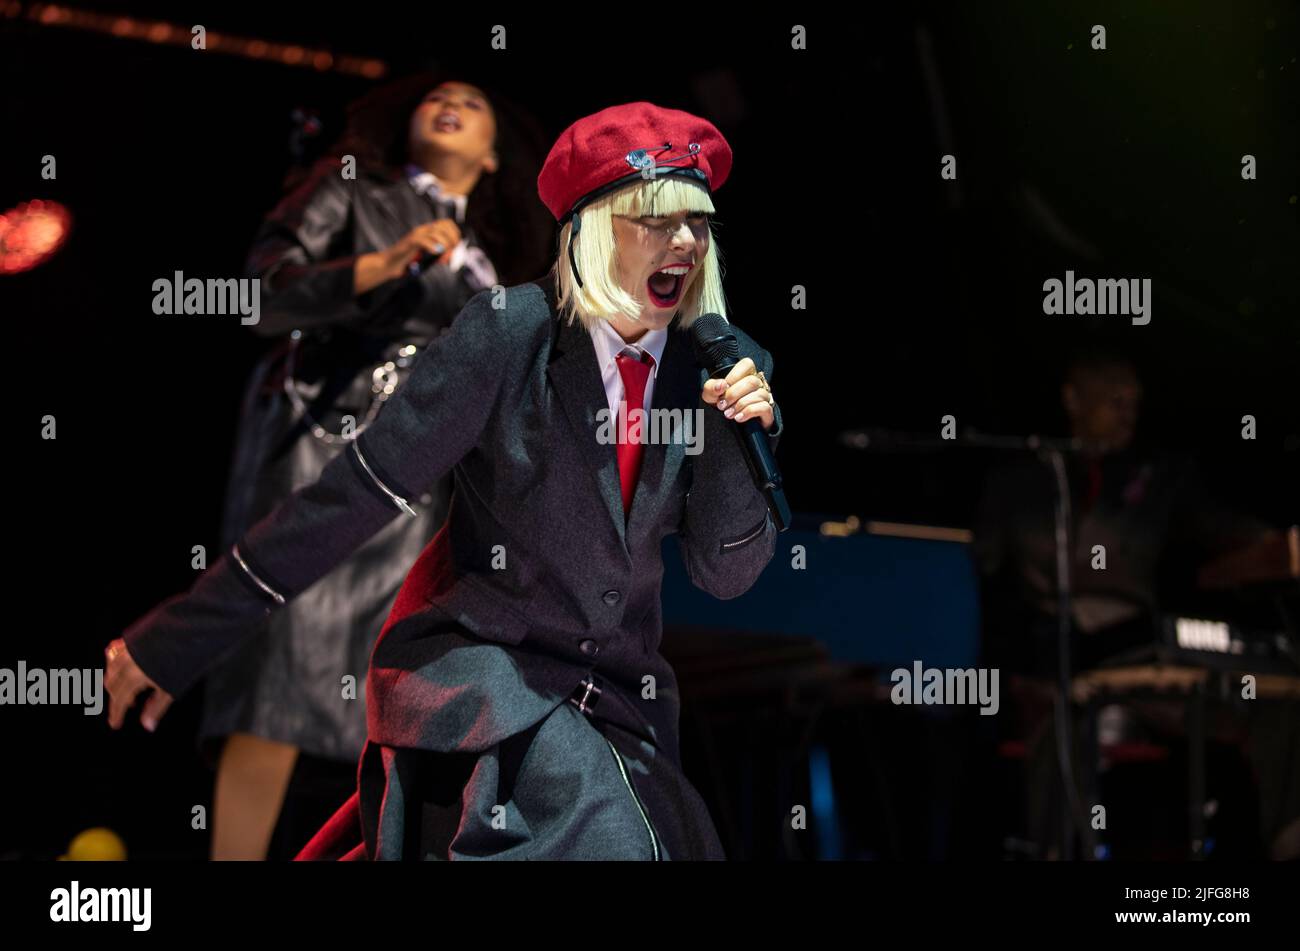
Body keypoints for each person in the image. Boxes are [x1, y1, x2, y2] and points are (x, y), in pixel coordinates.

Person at [105, 102, 785, 860]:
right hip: (486, 681)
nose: (686, 243)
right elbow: (350, 497)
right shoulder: (508, 332)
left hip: (619, 704)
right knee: (607, 837)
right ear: (594, 231)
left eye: (698, 223)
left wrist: (732, 433)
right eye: (657, 220)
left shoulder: (716, 364)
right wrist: (179, 637)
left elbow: (726, 574)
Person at [198, 74, 551, 859]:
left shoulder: (501, 259)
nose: (451, 99)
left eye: (475, 99)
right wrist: (381, 264)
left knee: (414, 698)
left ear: (494, 155)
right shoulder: (351, 191)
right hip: (327, 448)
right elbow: (255, 295)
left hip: (430, 484)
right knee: (280, 686)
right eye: (436, 94)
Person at [973, 344, 1298, 858]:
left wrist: (1279, 546)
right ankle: (1055, 849)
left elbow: (1225, 530)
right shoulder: (1020, 479)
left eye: (1134, 402)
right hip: (1045, 658)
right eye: (1113, 400)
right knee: (1063, 728)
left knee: (1276, 704)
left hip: (1137, 657)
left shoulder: (1160, 477)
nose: (1127, 413)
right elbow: (980, 575)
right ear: (1073, 399)